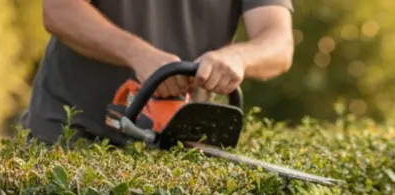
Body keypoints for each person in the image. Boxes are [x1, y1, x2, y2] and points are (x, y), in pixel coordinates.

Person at [22, 0, 295, 145]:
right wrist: (139, 54)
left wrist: (238, 57)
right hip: (70, 129)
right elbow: (60, 10)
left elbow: (279, 42)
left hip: (173, 138)